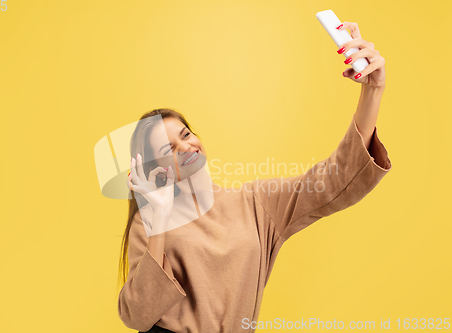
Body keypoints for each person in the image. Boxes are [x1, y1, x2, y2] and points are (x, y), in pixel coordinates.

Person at [117, 21, 391, 333]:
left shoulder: (253, 203)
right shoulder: (150, 222)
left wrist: (373, 89)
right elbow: (138, 315)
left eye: (186, 134)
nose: (186, 145)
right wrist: (159, 217)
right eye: (169, 147)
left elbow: (335, 179)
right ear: (153, 169)